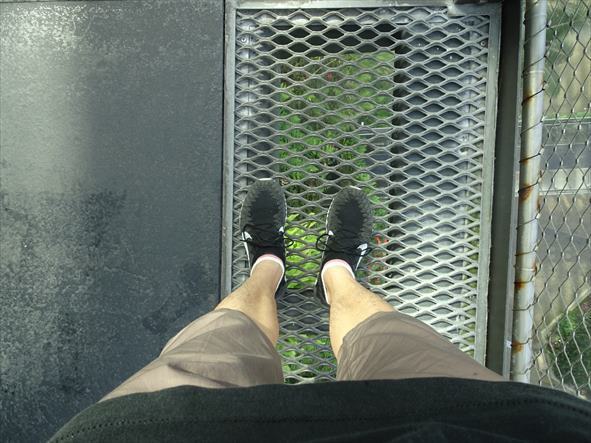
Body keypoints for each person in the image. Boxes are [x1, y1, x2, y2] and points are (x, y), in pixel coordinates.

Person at [51, 180, 590, 442]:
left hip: (175, 432)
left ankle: (267, 265)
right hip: (471, 425)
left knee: (218, 344)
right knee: (388, 341)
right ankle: (337, 272)